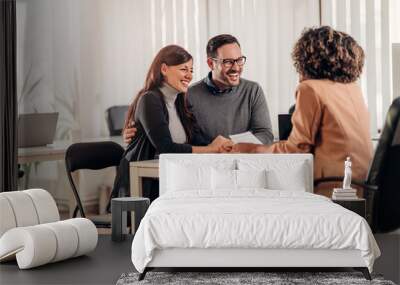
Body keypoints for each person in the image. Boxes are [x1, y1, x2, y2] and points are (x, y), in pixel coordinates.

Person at [231, 26, 373, 197]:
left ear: (307, 58)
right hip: (361, 186)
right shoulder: (352, 89)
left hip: (332, 187)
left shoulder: (310, 89)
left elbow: (296, 151)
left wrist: (252, 149)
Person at [111, 45, 232, 202]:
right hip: (146, 187)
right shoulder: (150, 99)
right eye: (184, 69)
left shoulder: (180, 103)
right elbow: (166, 148)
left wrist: (221, 144)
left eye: (191, 70)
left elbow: (198, 140)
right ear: (164, 69)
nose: (189, 75)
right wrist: (210, 149)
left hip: (172, 181)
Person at [123, 34, 274, 145]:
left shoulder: (253, 90)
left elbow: (265, 134)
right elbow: (175, 134)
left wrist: (232, 146)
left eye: (239, 60)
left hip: (245, 163)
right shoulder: (187, 94)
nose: (236, 68)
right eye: (228, 62)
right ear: (211, 63)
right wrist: (140, 133)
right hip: (204, 167)